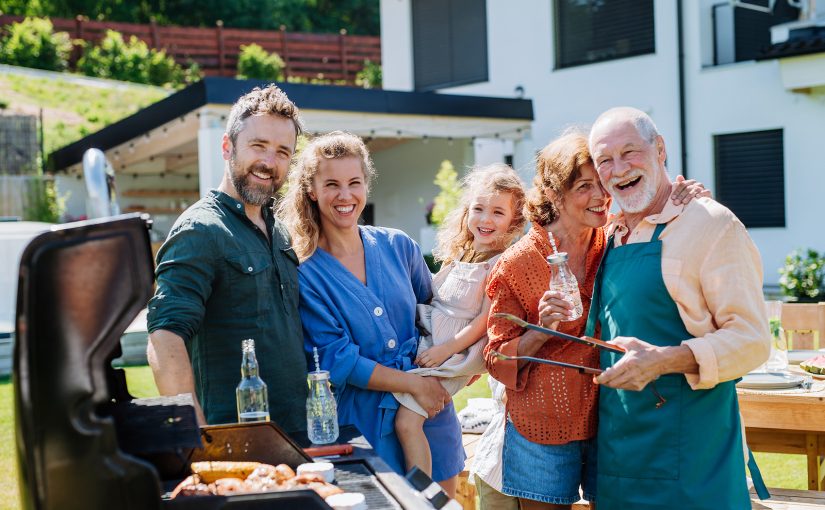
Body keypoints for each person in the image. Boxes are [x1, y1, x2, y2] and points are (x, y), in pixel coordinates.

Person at [485, 129, 707, 510]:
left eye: (601, 183)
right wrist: (541, 332)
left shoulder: (616, 238)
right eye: (584, 187)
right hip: (542, 428)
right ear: (554, 193)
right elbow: (495, 357)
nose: (601, 195)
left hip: (611, 422)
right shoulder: (517, 264)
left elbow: (659, 207)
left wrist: (689, 199)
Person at [577, 107, 770, 509]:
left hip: (693, 453)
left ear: (660, 149)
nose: (619, 169)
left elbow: (752, 340)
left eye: (630, 152)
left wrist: (665, 360)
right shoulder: (607, 234)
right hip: (620, 453)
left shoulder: (712, 225)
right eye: (605, 161)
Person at [277, 131, 465, 495]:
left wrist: (460, 365)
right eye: (331, 184)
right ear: (312, 190)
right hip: (365, 426)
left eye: (354, 183)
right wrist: (414, 384)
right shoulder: (305, 272)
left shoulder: (399, 245)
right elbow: (338, 359)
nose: (345, 196)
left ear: (366, 184)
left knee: (441, 507)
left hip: (429, 415)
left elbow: (436, 317)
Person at [146, 85, 308, 430]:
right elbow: (164, 336)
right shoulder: (200, 230)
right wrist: (197, 438)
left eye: (282, 152)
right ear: (227, 147)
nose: (269, 162)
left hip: (296, 431)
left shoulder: (279, 231)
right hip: (235, 439)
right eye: (258, 146)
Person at [392, 164, 526, 477]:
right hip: (437, 344)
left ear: (514, 220)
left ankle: (422, 497)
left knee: (406, 421)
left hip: (455, 352)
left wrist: (446, 350)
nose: (485, 219)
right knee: (409, 417)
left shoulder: (499, 263)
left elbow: (483, 320)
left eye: (497, 212)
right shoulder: (463, 253)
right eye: (478, 209)